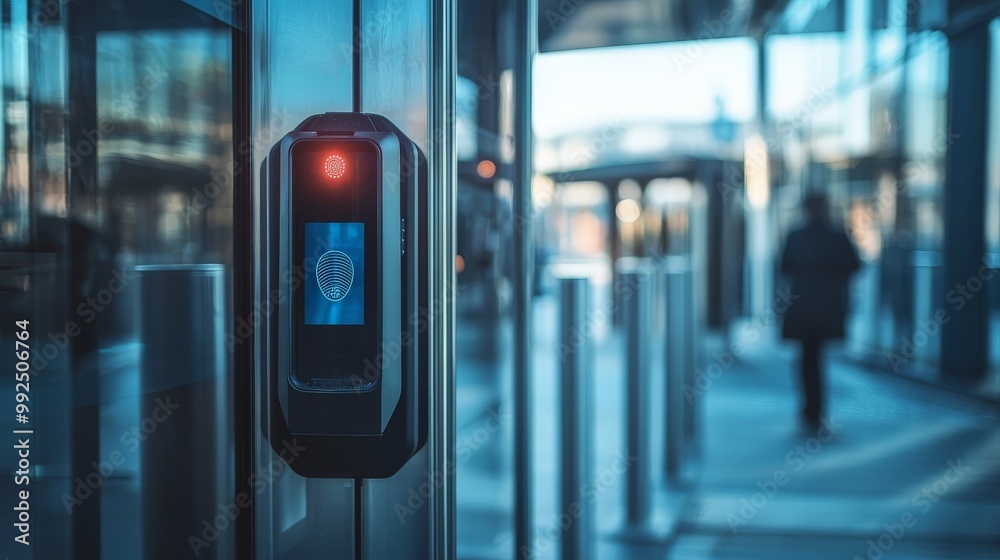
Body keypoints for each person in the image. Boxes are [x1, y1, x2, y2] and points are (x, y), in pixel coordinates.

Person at [780, 193, 860, 429]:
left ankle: (810, 407)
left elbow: (785, 267)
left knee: (807, 357)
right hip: (828, 306)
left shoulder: (796, 236)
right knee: (818, 356)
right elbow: (854, 266)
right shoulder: (837, 236)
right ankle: (818, 408)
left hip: (803, 305)